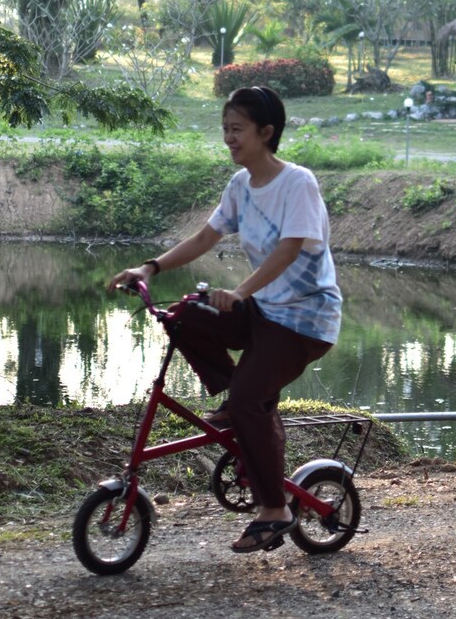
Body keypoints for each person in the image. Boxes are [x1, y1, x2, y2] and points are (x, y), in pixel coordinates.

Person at [108, 85, 342, 553]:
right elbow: (203, 238)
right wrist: (149, 267)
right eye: (225, 130)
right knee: (184, 316)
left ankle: (274, 510)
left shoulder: (298, 183)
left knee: (251, 396)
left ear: (266, 132)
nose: (229, 139)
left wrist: (239, 292)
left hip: (304, 321)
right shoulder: (240, 186)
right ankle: (237, 402)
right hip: (263, 314)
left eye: (237, 130)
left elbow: (289, 247)